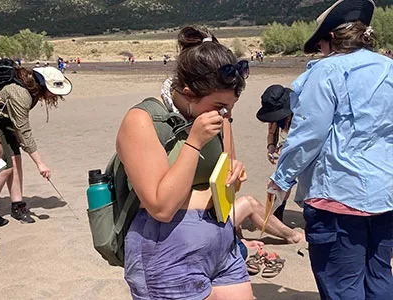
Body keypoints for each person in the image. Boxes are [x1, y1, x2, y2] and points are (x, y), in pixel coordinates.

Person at [268, 0, 393, 298]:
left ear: (331, 39)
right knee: (379, 276)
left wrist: (281, 179)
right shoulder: (388, 68)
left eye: (320, 44)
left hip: (338, 195)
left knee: (341, 284)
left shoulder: (326, 71)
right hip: (385, 194)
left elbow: (308, 134)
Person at [117, 26, 253, 299]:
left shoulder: (219, 118)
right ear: (189, 93)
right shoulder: (142, 121)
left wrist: (234, 174)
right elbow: (162, 207)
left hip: (221, 242)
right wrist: (193, 142)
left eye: (230, 107)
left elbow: (225, 183)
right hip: (167, 250)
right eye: (219, 106)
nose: (225, 114)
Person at [0, 66, 72, 225]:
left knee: (16, 160)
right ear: (44, 85)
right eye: (54, 91)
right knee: (4, 166)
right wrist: (40, 163)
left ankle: (17, 206)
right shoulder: (22, 94)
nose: (56, 95)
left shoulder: (32, 89)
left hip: (6, 121)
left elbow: (18, 126)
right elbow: (24, 131)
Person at [256, 84, 293, 222]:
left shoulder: (301, 113)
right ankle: (277, 215)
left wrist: (287, 148)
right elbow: (272, 132)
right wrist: (271, 146)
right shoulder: (275, 113)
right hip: (290, 146)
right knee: (281, 182)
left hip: (308, 148)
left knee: (285, 180)